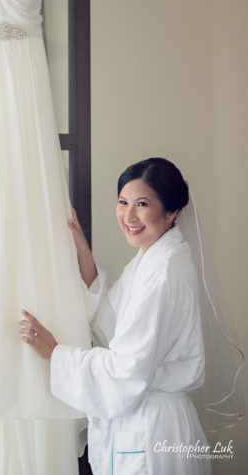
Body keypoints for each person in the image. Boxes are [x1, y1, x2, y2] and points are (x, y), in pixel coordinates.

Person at [20, 157, 210, 475]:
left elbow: (126, 369)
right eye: (123, 202)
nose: (129, 215)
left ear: (171, 211)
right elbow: (112, 323)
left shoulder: (165, 272)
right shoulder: (149, 261)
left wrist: (56, 354)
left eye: (142, 204)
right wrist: (83, 254)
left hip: (155, 431)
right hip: (145, 421)